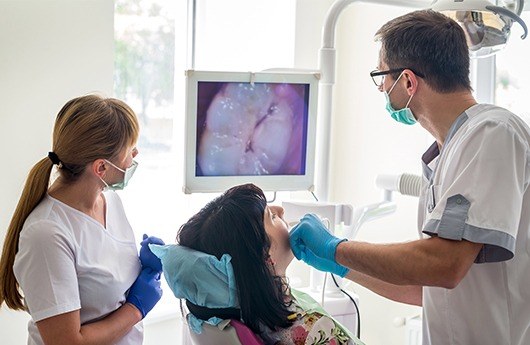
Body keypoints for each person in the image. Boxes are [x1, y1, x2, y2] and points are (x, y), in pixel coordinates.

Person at [289, 9, 530, 345]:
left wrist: (337, 247)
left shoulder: (493, 133)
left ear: (407, 81)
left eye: (381, 76)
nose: (381, 89)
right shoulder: (448, 154)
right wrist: (342, 265)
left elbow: (445, 265)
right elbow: (426, 287)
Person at [0, 94, 164, 344]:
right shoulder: (47, 234)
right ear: (101, 168)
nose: (136, 153)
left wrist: (142, 269)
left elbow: (102, 284)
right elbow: (67, 342)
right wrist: (136, 308)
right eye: (130, 149)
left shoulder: (110, 202)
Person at [156, 183, 362, 345]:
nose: (280, 210)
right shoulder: (310, 331)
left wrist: (337, 261)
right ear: (266, 257)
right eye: (271, 217)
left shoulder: (235, 315)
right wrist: (336, 253)